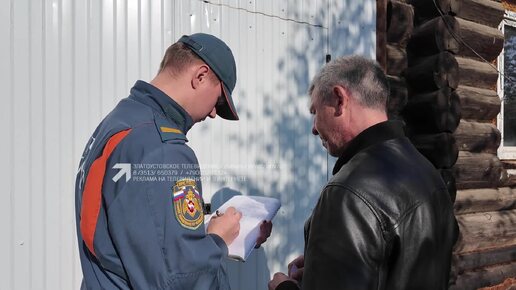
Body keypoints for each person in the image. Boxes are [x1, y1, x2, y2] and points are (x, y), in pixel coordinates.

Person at [75, 33, 271, 290]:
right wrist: (217, 240)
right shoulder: (162, 148)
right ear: (200, 76)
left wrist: (214, 234)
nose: (213, 113)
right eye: (219, 101)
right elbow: (177, 279)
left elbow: (145, 240)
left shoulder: (119, 123)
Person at [268, 56, 459, 290]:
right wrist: (325, 268)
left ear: (339, 100)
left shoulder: (348, 192)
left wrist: (283, 288)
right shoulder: (428, 172)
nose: (314, 129)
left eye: (315, 111)